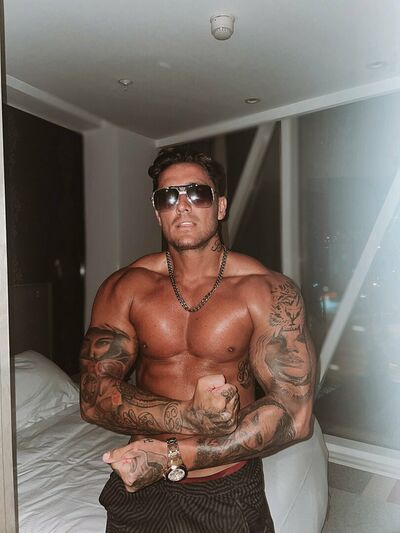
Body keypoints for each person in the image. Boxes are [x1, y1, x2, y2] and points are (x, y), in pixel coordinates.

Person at [80, 147, 317, 533]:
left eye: (197, 193)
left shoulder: (265, 290)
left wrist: (173, 455)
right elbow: (93, 396)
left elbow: (296, 414)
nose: (183, 205)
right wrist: (186, 416)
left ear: (220, 206)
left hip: (224, 483)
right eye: (168, 197)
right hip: (139, 477)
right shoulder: (125, 288)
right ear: (157, 212)